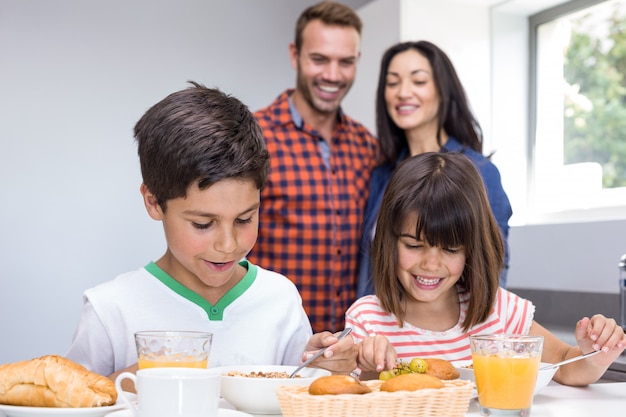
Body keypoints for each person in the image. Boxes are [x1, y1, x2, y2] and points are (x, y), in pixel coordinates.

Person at [65, 82, 391, 382]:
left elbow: (300, 394)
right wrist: (133, 381)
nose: (227, 244)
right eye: (202, 224)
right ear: (153, 202)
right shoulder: (110, 310)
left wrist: (326, 368)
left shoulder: (279, 299)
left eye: (245, 219)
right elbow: (69, 405)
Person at [346, 152, 626, 385]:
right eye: (413, 246)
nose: (431, 264)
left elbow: (565, 365)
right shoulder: (367, 319)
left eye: (451, 249)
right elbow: (355, 395)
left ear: (471, 250)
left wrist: (594, 355)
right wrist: (372, 365)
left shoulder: (499, 311)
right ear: (389, 242)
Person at [248, 1, 379, 334]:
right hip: (271, 341)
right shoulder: (253, 137)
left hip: (349, 348)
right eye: (319, 59)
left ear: (357, 62)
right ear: (296, 55)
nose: (332, 75)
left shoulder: (367, 146)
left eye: (345, 62)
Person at [356, 40, 512, 299]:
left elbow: (492, 273)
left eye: (418, 81)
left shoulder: (480, 172)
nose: (403, 92)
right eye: (393, 83)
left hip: (448, 336)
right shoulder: (382, 176)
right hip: (380, 331)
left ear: (443, 90)